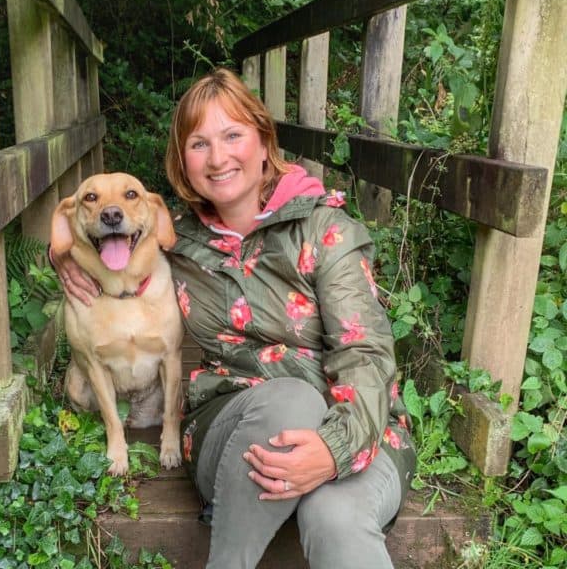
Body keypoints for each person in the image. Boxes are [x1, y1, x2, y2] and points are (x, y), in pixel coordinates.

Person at [51, 67, 416, 569]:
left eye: (233, 135)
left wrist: (332, 450)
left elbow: (367, 354)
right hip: (231, 423)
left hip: (354, 427)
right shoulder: (174, 238)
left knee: (335, 515)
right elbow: (107, 237)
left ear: (265, 142)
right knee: (290, 397)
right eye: (199, 144)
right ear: (183, 161)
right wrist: (64, 257)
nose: (218, 157)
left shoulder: (326, 229)